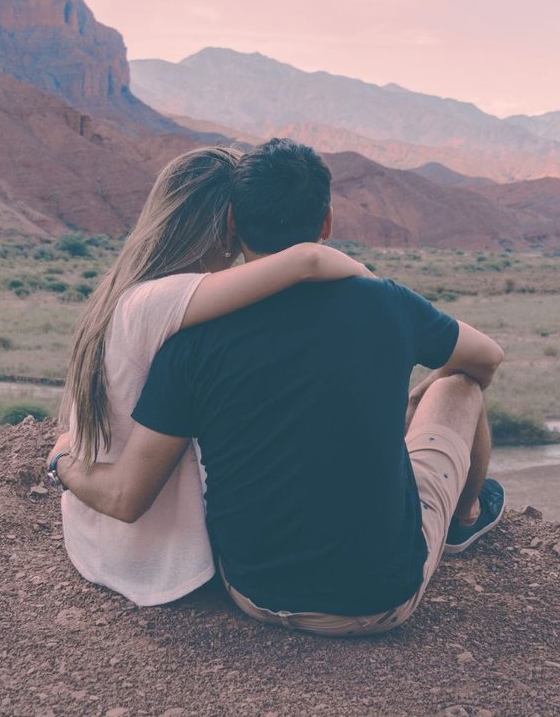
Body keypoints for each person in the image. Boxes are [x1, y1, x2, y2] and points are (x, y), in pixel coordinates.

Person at [49, 138, 505, 636]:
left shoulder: (189, 339)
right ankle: (466, 517)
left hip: (250, 593)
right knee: (458, 386)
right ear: (326, 222)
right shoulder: (386, 303)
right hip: (380, 601)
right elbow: (487, 358)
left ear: (232, 225)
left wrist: (63, 458)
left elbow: (128, 490)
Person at [56, 145, 375, 607]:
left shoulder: (124, 293)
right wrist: (368, 284)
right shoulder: (162, 300)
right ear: (231, 223)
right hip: (163, 561)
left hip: (100, 541)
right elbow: (306, 262)